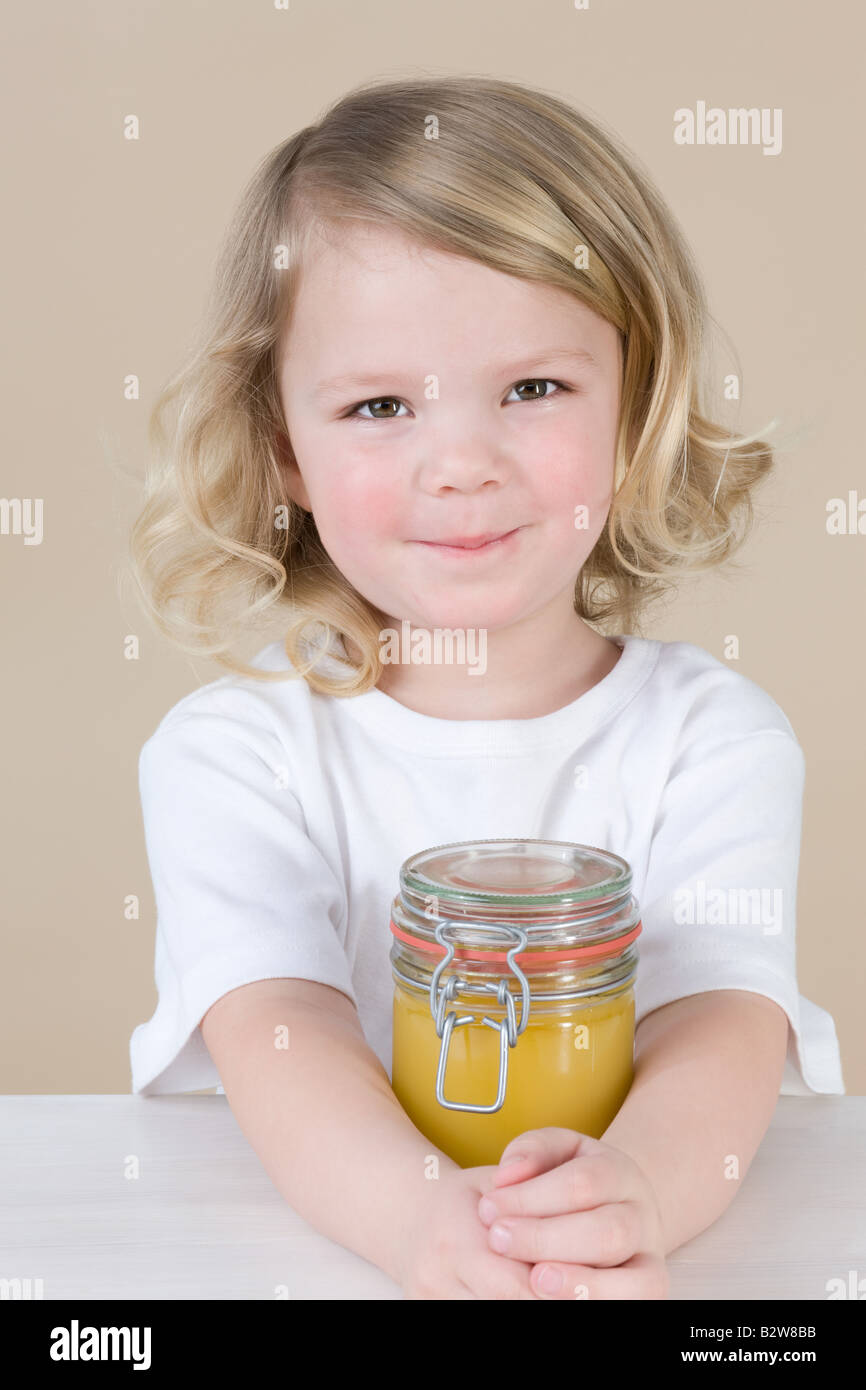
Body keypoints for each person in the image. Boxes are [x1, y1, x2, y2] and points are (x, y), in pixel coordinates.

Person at [126, 74, 844, 1300]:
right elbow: (279, 1025)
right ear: (285, 449)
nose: (459, 464)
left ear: (635, 409)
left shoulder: (713, 739)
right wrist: (422, 1225)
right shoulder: (233, 755)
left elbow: (716, 1021)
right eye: (379, 406)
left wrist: (633, 1203)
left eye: (531, 389)